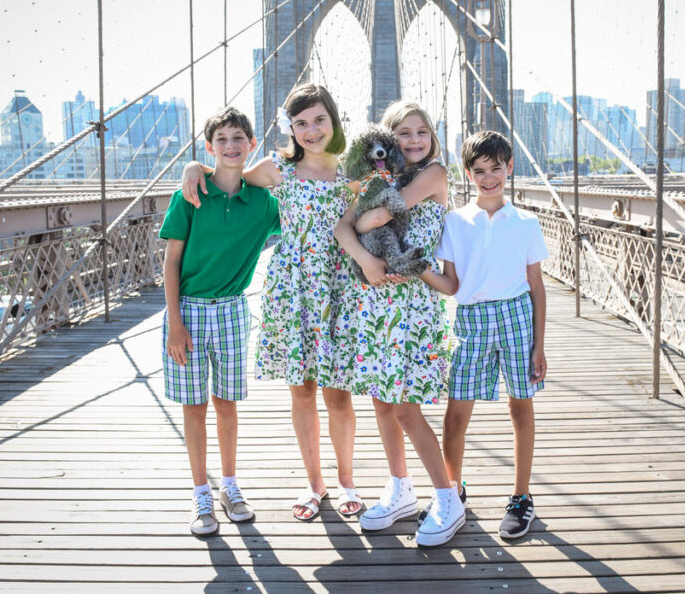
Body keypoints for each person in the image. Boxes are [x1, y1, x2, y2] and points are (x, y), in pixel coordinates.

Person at [181, 84, 362, 521]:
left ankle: (346, 482)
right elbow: (229, 174)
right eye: (300, 123)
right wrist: (192, 166)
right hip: (293, 292)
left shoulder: (353, 172)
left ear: (333, 120)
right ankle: (314, 484)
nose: (311, 130)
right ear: (290, 128)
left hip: (338, 290)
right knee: (302, 393)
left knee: (338, 396)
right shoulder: (277, 168)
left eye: (319, 119)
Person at [333, 101, 464, 547]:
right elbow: (341, 231)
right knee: (382, 402)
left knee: (406, 407)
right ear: (387, 140)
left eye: (421, 132)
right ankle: (400, 487)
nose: (413, 141)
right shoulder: (379, 179)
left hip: (412, 306)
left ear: (432, 138)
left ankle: (448, 498)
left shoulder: (435, 174)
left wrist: (366, 223)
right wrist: (367, 259)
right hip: (374, 302)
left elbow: (375, 217)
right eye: (403, 133)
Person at [160, 107, 280, 535]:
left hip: (231, 310)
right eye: (222, 140)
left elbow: (307, 188)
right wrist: (175, 322)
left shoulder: (265, 204)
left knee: (226, 404)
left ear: (252, 144)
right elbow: (171, 261)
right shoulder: (191, 194)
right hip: (188, 311)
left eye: (240, 139)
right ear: (209, 147)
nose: (231, 147)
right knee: (194, 408)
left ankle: (230, 486)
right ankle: (201, 495)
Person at [425, 130, 548, 540]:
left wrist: (540, 345)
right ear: (468, 173)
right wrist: (415, 268)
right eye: (480, 171)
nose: (489, 177)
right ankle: (451, 492)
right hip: (472, 319)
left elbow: (537, 286)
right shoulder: (455, 222)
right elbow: (451, 283)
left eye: (496, 168)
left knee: (521, 408)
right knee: (456, 412)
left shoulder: (527, 222)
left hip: (517, 318)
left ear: (510, 168)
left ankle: (521, 497)